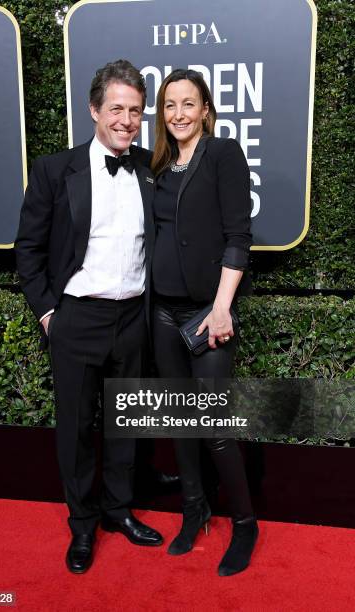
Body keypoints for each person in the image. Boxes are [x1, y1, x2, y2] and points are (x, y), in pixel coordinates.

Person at [15, 59, 163, 575]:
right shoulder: (58, 170)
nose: (126, 120)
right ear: (94, 110)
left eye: (136, 111)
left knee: (125, 424)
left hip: (132, 319)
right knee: (76, 428)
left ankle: (118, 512)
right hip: (76, 317)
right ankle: (82, 525)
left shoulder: (150, 168)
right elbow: (28, 249)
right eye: (117, 109)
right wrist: (49, 313)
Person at [151, 69, 258, 576]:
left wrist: (220, 308)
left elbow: (239, 235)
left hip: (206, 312)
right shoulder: (156, 165)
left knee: (214, 427)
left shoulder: (223, 155)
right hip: (161, 313)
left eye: (188, 104)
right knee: (181, 424)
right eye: (170, 105)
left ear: (206, 110)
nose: (178, 114)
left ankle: (244, 524)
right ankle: (194, 512)